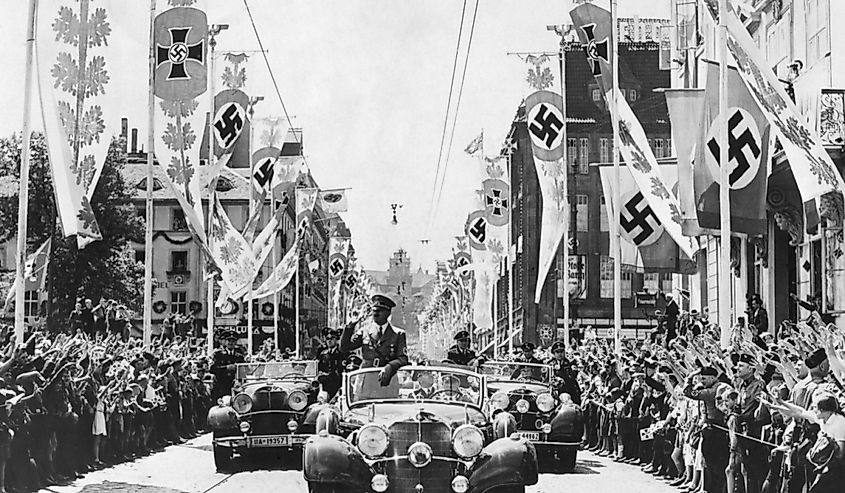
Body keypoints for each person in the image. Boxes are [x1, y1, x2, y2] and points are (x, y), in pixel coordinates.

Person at [340, 294, 408, 386]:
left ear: (388, 313)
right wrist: (350, 326)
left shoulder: (398, 334)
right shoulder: (365, 331)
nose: (375, 314)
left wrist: (390, 366)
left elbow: (403, 358)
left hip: (387, 381)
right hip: (365, 380)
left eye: (380, 311)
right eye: (374, 311)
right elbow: (344, 348)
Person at [683, 366, 728, 493]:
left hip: (715, 430)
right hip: (717, 429)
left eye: (704, 379)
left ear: (713, 377)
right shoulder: (722, 386)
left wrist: (690, 377)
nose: (702, 382)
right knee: (712, 463)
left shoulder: (712, 391)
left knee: (712, 463)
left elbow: (688, 392)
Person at [210, 330, 244, 400]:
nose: (231, 343)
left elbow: (244, 370)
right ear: (225, 342)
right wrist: (226, 368)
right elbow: (212, 369)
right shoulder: (218, 354)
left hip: (236, 387)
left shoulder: (239, 356)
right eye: (229, 341)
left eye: (233, 341)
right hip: (221, 386)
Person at [317, 328, 346, 399]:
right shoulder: (323, 354)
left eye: (332, 338)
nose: (329, 340)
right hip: (326, 386)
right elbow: (319, 369)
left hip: (339, 385)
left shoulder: (342, 353)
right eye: (327, 338)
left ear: (336, 339)